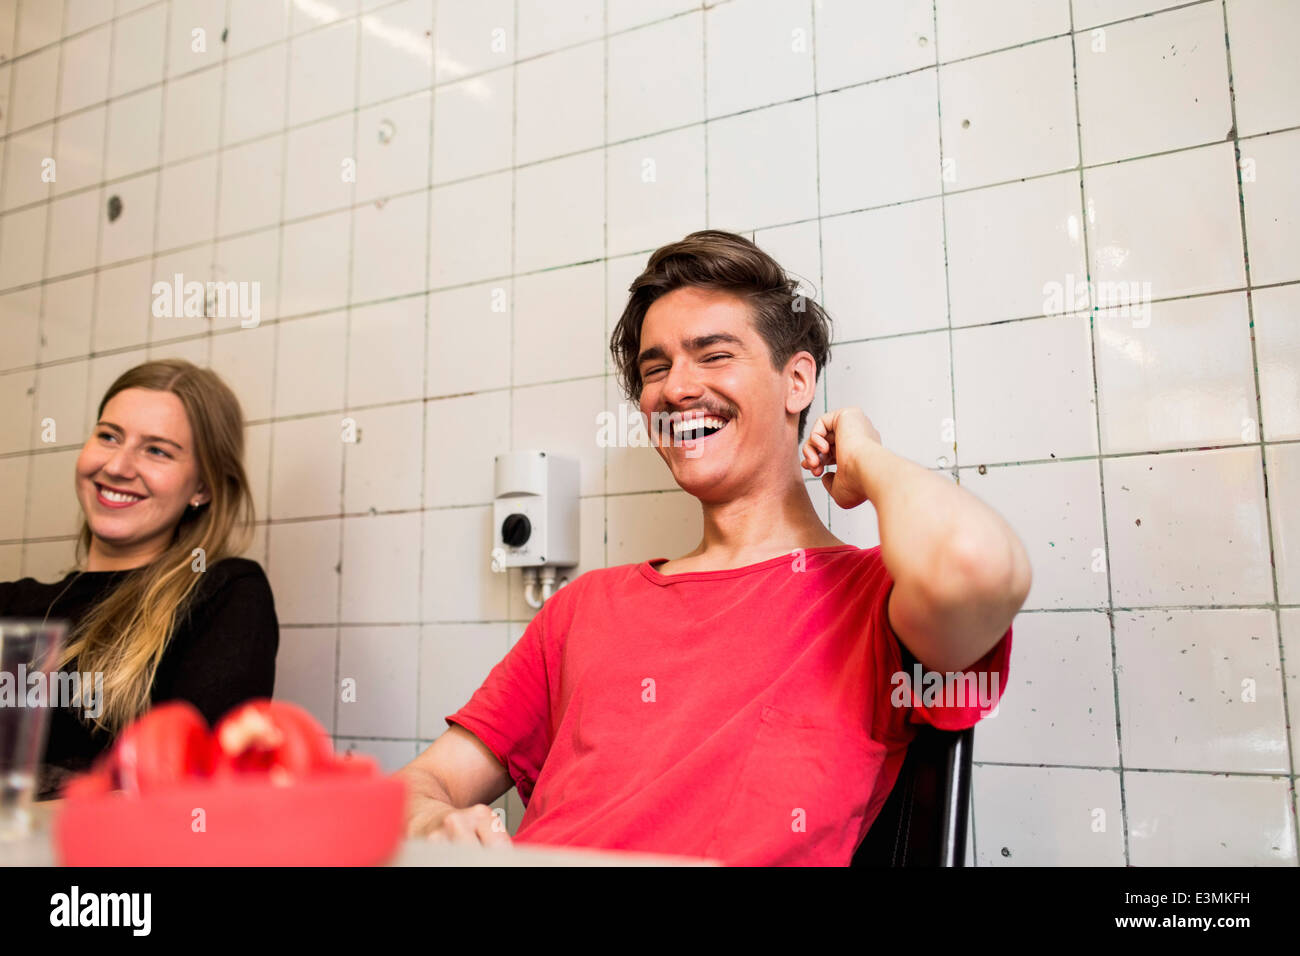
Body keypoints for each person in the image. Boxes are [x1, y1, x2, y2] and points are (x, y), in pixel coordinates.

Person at [397, 230, 1032, 865]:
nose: (675, 389)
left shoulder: (874, 600)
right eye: (655, 368)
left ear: (797, 382)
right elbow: (419, 786)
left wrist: (865, 456)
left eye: (713, 355)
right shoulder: (582, 609)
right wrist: (432, 822)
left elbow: (972, 566)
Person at [0, 359, 278, 800]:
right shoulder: (14, 606)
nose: (117, 466)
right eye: (109, 436)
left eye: (157, 450)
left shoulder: (222, 593)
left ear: (202, 488)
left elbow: (198, 786)